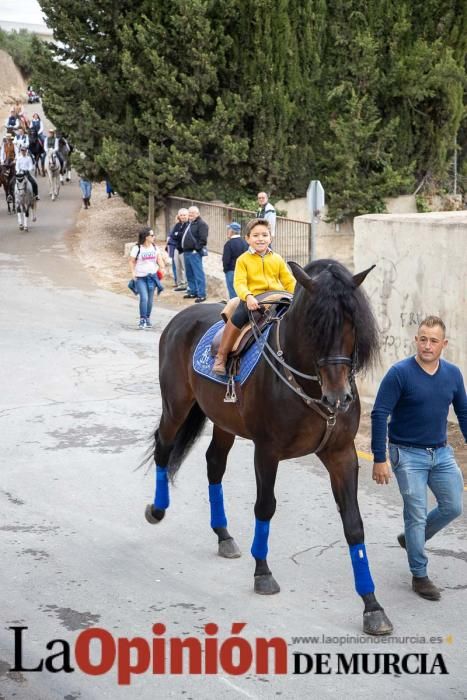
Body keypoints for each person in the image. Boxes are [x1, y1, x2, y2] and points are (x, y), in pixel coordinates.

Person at [371, 316, 467, 601]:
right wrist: (379, 457)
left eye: (433, 341)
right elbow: (379, 414)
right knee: (415, 513)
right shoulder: (399, 373)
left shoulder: (452, 374)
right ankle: (420, 574)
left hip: (441, 452)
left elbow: (463, 413)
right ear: (416, 339)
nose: (427, 345)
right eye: (422, 339)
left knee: (453, 507)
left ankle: (412, 539)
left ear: (443, 344)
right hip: (407, 454)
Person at [212, 218, 296, 374]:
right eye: (256, 235)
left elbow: (288, 281)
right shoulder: (243, 260)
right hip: (254, 299)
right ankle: (221, 356)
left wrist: (295, 295)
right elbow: (239, 283)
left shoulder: (277, 258)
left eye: (265, 235)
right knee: (237, 317)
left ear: (270, 238)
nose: (261, 239)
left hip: (278, 298)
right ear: (248, 239)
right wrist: (248, 296)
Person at [129, 227, 165, 329]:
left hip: (152, 277)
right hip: (140, 277)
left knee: (150, 299)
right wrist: (133, 272)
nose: (154, 237)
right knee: (143, 298)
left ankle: (148, 318)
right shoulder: (137, 248)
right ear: (146, 237)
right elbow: (131, 261)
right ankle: (142, 319)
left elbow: (159, 259)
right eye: (152, 235)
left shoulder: (154, 247)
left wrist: (162, 267)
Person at [182, 205, 208, 302]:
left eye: (193, 213)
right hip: (187, 252)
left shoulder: (201, 224)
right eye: (190, 213)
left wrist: (196, 249)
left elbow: (203, 239)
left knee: (198, 274)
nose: (191, 215)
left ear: (198, 214)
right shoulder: (189, 223)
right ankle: (193, 291)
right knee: (189, 274)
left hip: (194, 253)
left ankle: (201, 294)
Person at [222, 222, 248, 299]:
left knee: (233, 293)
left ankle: (234, 309)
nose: (227, 231)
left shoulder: (229, 244)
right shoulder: (245, 243)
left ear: (231, 231)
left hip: (231, 270)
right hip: (243, 270)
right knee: (242, 291)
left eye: (228, 230)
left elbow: (226, 260)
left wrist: (225, 270)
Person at [166, 208, 189, 290]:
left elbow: (183, 235)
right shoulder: (178, 225)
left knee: (185, 267)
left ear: (188, 215)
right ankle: (179, 283)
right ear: (179, 216)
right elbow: (173, 235)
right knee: (177, 266)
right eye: (181, 215)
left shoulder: (188, 225)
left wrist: (177, 234)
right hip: (176, 248)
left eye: (184, 215)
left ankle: (186, 283)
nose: (183, 217)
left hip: (184, 249)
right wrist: (178, 234)